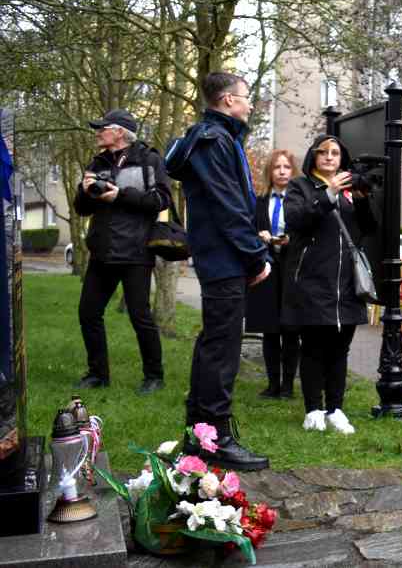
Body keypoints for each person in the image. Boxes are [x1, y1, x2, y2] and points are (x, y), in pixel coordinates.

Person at [177, 72, 271, 471]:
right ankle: (214, 439)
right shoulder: (215, 140)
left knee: (214, 344)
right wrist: (255, 255)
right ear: (229, 100)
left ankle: (200, 433)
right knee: (222, 350)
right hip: (224, 258)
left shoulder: (216, 138)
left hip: (220, 257)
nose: (250, 104)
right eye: (247, 98)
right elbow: (228, 207)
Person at [282, 135, 376, 435]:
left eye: (336, 153)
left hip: (347, 283)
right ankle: (313, 409)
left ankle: (336, 409)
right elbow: (296, 219)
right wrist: (329, 194)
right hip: (313, 281)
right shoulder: (301, 186)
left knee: (340, 349)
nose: (330, 157)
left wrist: (361, 202)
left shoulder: (349, 190)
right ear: (314, 156)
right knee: (313, 348)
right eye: (324, 152)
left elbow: (368, 229)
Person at [73, 108, 171, 394]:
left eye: (102, 128)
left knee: (140, 317)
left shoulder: (149, 159)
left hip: (136, 252)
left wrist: (120, 195)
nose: (98, 132)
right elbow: (82, 208)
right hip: (102, 251)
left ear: (119, 132)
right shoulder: (98, 161)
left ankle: (154, 376)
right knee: (88, 313)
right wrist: (85, 188)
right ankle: (97, 375)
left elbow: (161, 200)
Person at [246, 149, 300, 400]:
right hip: (267, 269)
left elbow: (307, 231)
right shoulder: (259, 201)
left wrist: (292, 239)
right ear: (270, 172)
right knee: (269, 330)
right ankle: (272, 385)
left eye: (286, 167)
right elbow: (250, 229)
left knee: (290, 329)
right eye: (276, 167)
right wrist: (260, 235)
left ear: (293, 171)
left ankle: (288, 386)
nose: (281, 171)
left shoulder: (299, 201)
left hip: (291, 269)